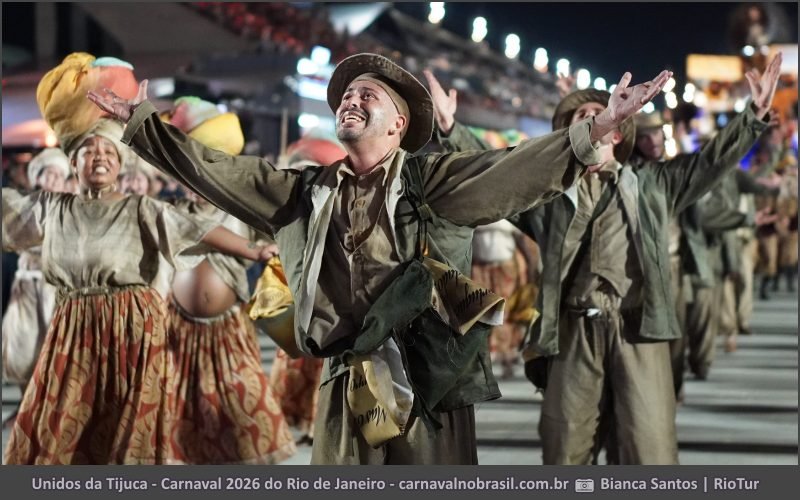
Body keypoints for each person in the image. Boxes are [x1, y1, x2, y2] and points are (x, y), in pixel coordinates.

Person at [89, 52, 669, 465]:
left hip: (428, 385)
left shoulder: (432, 181)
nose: (351, 99)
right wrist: (142, 127)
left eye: (369, 95)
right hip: (348, 383)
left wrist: (601, 127)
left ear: (399, 125)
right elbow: (217, 171)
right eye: (346, 94)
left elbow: (513, 170)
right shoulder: (302, 192)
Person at [511, 54, 780, 464]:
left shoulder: (654, 185)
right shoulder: (544, 195)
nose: (586, 119)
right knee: (563, 451)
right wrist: (446, 129)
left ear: (616, 134)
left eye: (595, 114)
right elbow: (493, 175)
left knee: (648, 450)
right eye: (577, 117)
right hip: (572, 335)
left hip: (638, 330)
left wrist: (753, 116)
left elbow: (709, 163)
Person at [160, 96, 296, 464]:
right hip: (177, 330)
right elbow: (192, 232)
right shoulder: (170, 211)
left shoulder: (242, 208)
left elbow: (279, 228)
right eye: (185, 167)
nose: (195, 174)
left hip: (227, 328)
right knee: (181, 416)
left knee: (239, 412)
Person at [1, 148, 69, 429]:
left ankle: (50, 412)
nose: (52, 179)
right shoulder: (23, 206)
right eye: (47, 173)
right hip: (27, 284)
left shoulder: (70, 208)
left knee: (52, 350)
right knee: (23, 347)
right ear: (37, 177)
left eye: (58, 175)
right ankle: (24, 407)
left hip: (55, 288)